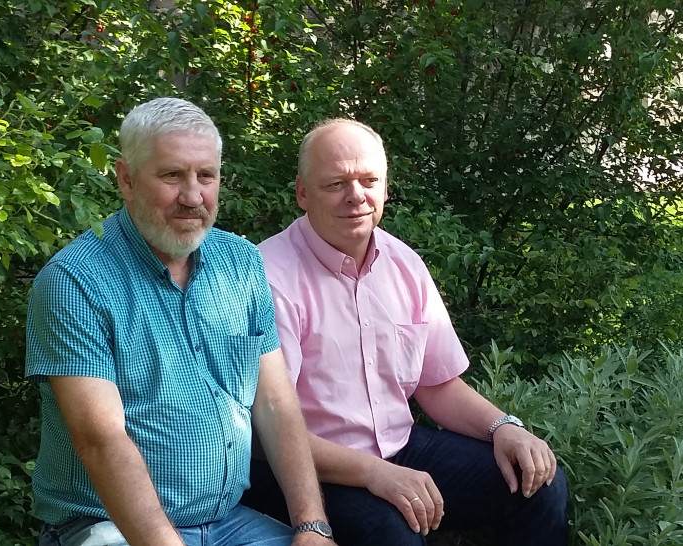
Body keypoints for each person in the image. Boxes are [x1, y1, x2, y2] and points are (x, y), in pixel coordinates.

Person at [241, 119, 568, 545]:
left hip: (399, 447)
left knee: (538, 485)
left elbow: (438, 386)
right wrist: (376, 474)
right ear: (303, 193)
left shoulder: (403, 264)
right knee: (392, 533)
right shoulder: (270, 278)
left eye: (369, 180)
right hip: (307, 469)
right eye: (336, 183)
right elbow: (266, 431)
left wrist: (503, 427)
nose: (356, 195)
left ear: (386, 188)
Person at [25, 98, 336, 546]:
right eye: (172, 175)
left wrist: (311, 524)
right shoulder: (74, 283)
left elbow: (275, 403)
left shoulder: (241, 263)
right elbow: (101, 440)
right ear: (126, 179)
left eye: (205, 176)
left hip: (228, 523)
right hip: (108, 528)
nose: (193, 197)